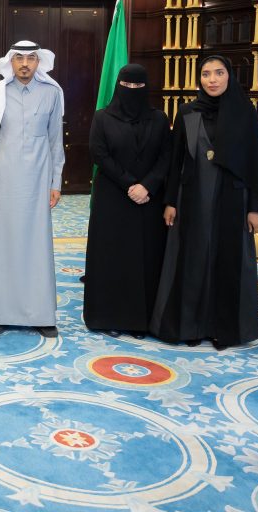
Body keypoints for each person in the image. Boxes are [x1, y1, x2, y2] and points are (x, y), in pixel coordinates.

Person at [149, 55, 258, 349]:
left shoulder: (245, 113)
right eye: (206, 74)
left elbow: (256, 161)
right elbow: (176, 160)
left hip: (233, 198)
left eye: (219, 73)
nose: (212, 80)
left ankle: (223, 330)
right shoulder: (187, 112)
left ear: (229, 76)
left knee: (227, 261)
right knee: (193, 260)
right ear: (199, 78)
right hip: (193, 196)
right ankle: (190, 327)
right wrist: (170, 201)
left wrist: (255, 207)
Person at [0, 40, 65, 337]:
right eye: (19, 58)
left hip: (38, 181)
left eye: (30, 58)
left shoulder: (52, 93)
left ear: (39, 62)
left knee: (36, 246)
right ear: (11, 62)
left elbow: (56, 141)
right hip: (4, 181)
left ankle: (40, 314)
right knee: (3, 245)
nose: (25, 64)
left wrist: (56, 182)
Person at [83, 64, 170, 336]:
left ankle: (141, 320)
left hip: (148, 199)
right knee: (112, 256)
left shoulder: (159, 119)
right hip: (113, 197)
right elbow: (99, 154)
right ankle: (109, 317)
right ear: (119, 86)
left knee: (146, 257)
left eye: (138, 86)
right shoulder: (102, 117)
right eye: (127, 85)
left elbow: (166, 157)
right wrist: (129, 184)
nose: (132, 90)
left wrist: (147, 186)